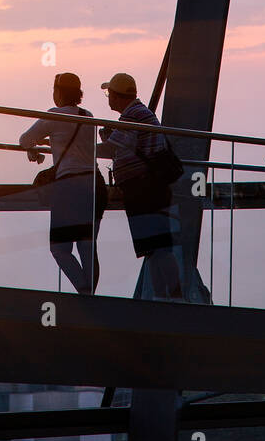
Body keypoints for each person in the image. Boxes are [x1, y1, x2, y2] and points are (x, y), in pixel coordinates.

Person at [96, 72, 183, 300]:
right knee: (154, 247)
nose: (108, 98)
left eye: (109, 93)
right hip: (151, 189)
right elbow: (125, 145)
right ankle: (164, 298)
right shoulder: (139, 114)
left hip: (145, 191)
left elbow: (112, 149)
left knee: (157, 247)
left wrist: (80, 148)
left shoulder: (133, 116)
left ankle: (172, 297)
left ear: (116, 95)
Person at [19, 71, 105, 294]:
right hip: (94, 184)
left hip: (69, 187)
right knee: (87, 246)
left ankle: (84, 292)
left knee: (60, 248)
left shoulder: (54, 116)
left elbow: (24, 139)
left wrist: (34, 148)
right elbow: (72, 140)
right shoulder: (89, 116)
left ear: (58, 92)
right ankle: (92, 298)